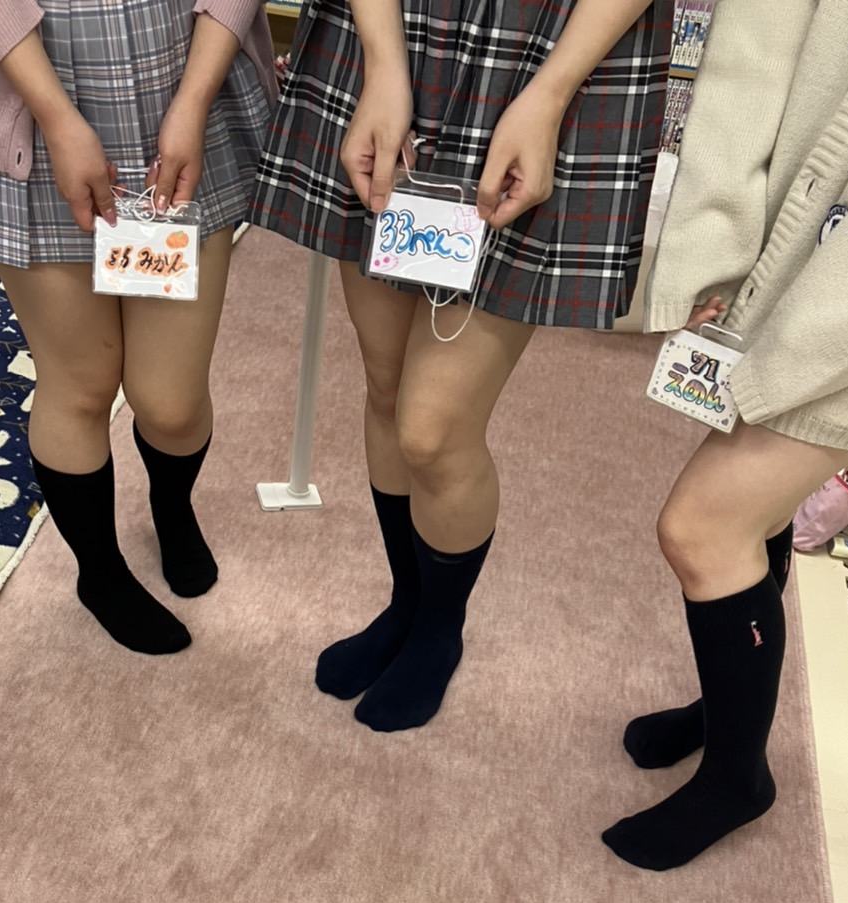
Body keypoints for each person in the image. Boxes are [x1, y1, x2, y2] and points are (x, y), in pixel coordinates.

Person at [251, 0, 672, 730]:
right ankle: (407, 605)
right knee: (386, 385)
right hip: (393, 31)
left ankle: (439, 629)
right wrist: (383, 63)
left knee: (433, 429)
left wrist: (551, 91)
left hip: (550, 46)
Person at [0, 0, 277, 655]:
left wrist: (193, 99)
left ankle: (171, 506)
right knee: (80, 382)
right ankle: (99, 573)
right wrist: (57, 118)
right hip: (21, 90)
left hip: (181, 68)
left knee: (172, 402)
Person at [602, 0, 848, 870]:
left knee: (703, 526)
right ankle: (727, 712)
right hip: (801, 257)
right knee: (760, 517)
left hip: (835, 307)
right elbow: (746, 70)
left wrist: (793, 345)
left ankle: (738, 776)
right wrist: (717, 261)